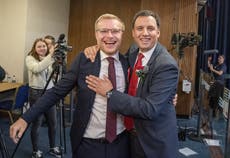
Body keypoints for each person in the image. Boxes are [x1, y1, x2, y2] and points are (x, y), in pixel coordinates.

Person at [10, 13, 130, 158]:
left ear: (122, 33)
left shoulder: (128, 62)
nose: (109, 36)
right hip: (87, 144)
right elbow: (56, 92)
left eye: (115, 31)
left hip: (121, 143)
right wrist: (25, 118)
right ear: (96, 34)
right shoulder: (84, 60)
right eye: (103, 31)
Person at [85, 10, 179, 158]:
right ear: (133, 33)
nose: (145, 33)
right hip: (128, 137)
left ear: (158, 33)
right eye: (140, 28)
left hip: (153, 143)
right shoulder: (134, 51)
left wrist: (110, 93)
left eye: (150, 28)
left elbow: (150, 109)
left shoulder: (166, 64)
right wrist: (96, 48)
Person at [25, 38, 61, 158]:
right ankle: (35, 151)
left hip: (50, 92)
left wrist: (57, 65)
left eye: (44, 46)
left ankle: (52, 147)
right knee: (37, 123)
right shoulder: (30, 58)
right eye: (39, 46)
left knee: (53, 123)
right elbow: (38, 68)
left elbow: (54, 76)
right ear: (34, 48)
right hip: (36, 93)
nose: (42, 48)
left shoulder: (49, 59)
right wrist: (50, 56)